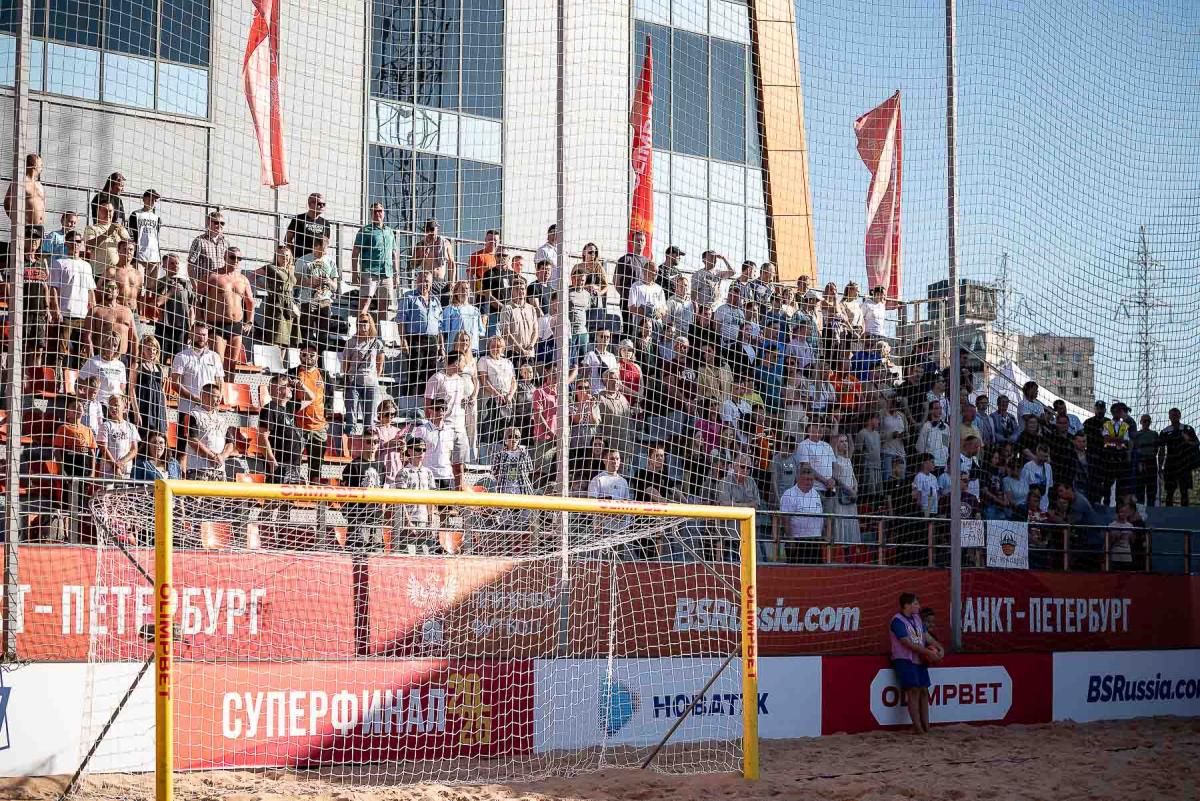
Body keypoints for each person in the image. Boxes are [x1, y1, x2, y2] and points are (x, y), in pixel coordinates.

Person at [890, 592, 942, 735]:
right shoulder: (897, 621)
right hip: (904, 659)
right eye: (915, 604)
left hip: (919, 658)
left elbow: (927, 637)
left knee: (924, 690)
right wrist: (928, 652)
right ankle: (918, 727)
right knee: (913, 691)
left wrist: (939, 648)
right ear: (907, 605)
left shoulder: (917, 618)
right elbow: (907, 643)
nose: (918, 606)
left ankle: (926, 726)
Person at [199, 246, 255, 377]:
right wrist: (200, 318)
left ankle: (229, 389)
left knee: (232, 365)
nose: (236, 260)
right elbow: (196, 296)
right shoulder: (213, 276)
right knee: (218, 363)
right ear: (225, 257)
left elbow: (250, 302)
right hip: (216, 324)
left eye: (239, 258)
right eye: (232, 257)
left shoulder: (243, 279)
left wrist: (250, 321)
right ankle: (216, 389)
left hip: (236, 325)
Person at [342, 431, 388, 549]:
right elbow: (345, 492)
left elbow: (381, 490)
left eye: (376, 442)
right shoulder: (354, 465)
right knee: (358, 550)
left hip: (376, 516)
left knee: (377, 550)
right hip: (359, 517)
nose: (373, 445)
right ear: (363, 443)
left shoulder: (381, 466)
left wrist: (381, 512)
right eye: (369, 441)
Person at [353, 201, 399, 317]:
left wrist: (396, 275)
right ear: (371, 214)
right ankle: (361, 327)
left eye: (380, 211)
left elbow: (394, 254)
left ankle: (380, 329)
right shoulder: (365, 230)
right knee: (365, 304)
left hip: (386, 273)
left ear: (384, 213)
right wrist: (354, 273)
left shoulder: (389, 231)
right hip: (369, 272)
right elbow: (355, 252)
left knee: (384, 307)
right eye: (375, 211)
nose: (378, 214)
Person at [413, 397, 469, 491]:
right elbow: (415, 453)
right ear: (430, 410)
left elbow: (453, 458)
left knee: (447, 501)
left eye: (444, 408)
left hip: (447, 476)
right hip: (428, 475)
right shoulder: (422, 430)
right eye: (437, 408)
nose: (441, 411)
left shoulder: (450, 431)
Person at [342, 314, 386, 433]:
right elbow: (345, 364)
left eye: (365, 321)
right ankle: (349, 442)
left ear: (370, 323)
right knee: (351, 419)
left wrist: (371, 377)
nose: (363, 324)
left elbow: (380, 365)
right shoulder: (351, 342)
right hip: (354, 383)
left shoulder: (377, 343)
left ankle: (367, 443)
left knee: (370, 421)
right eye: (360, 322)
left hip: (371, 384)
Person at [257, 373, 303, 484]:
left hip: (293, 466)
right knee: (276, 494)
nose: (291, 388)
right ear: (278, 390)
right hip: (279, 466)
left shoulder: (288, 409)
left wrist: (301, 385)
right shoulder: (270, 409)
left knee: (291, 496)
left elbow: (311, 398)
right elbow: (262, 437)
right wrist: (271, 460)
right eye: (288, 385)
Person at [292, 342, 328, 483]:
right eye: (304, 354)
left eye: (312, 355)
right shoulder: (293, 372)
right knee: (294, 461)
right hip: (298, 426)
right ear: (299, 355)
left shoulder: (323, 375)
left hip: (318, 426)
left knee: (316, 466)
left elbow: (329, 396)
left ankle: (313, 492)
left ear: (317, 356)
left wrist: (326, 417)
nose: (308, 357)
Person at [295, 234, 340, 348]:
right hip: (307, 300)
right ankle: (307, 356)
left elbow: (335, 287)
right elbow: (294, 282)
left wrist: (328, 281)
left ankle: (321, 357)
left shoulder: (331, 262)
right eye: (320, 251)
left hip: (325, 301)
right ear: (314, 246)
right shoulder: (302, 260)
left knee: (323, 335)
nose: (322, 253)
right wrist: (308, 282)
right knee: (307, 333)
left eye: (325, 250)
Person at [394, 436, 437, 552]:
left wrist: (431, 522)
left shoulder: (428, 472)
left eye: (423, 450)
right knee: (407, 555)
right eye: (418, 449)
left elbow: (431, 500)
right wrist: (407, 522)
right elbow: (400, 501)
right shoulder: (403, 472)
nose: (421, 453)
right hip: (407, 521)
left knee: (425, 555)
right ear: (409, 451)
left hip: (424, 520)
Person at [477, 335, 516, 454]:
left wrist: (510, 396)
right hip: (491, 399)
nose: (496, 349)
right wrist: (497, 394)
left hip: (507, 400)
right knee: (489, 429)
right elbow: (484, 381)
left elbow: (513, 382)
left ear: (503, 348)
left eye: (499, 346)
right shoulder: (484, 360)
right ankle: (485, 456)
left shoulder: (508, 362)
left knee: (504, 429)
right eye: (493, 346)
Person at [779, 467, 826, 563]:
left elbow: (821, 516)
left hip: (815, 540)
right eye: (806, 479)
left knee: (816, 569)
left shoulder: (816, 494)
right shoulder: (789, 494)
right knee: (798, 569)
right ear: (798, 479)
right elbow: (785, 519)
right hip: (797, 540)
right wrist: (790, 539)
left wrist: (824, 535)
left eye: (811, 480)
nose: (809, 482)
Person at [184, 383, 231, 480]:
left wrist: (222, 456)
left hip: (219, 469)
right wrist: (212, 457)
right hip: (198, 468)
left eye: (219, 397)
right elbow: (192, 440)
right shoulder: (193, 415)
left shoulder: (222, 420)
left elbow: (230, 443)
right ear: (204, 396)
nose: (219, 400)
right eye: (216, 396)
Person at [85, 278, 137, 359]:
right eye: (106, 287)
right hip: (101, 356)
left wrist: (134, 361)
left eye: (112, 287)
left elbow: (134, 338)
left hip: (122, 357)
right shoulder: (95, 311)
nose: (109, 290)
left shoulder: (127, 311)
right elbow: (88, 336)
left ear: (117, 292)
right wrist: (91, 359)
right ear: (101, 291)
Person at [156, 255, 193, 362]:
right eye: (172, 263)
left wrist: (191, 328)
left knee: (178, 359)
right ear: (164, 265)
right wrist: (171, 292)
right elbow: (158, 302)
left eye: (177, 263)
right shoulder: (160, 282)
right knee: (161, 358)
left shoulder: (186, 283)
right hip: (164, 326)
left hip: (181, 328)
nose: (175, 266)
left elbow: (191, 308)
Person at [4, 153, 46, 246]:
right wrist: (17, 220)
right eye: (41, 165)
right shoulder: (20, 183)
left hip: (39, 227)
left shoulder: (39, 185)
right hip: (26, 226)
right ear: (34, 165)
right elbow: (7, 203)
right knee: (24, 251)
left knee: (35, 253)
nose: (42, 168)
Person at [1160, 408, 1198, 507]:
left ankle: (1185, 514)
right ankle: (1168, 513)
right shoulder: (1165, 431)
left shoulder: (1187, 429)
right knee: (1169, 492)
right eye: (1172, 415)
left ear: (1180, 416)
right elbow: (1162, 450)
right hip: (1170, 465)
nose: (1174, 417)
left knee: (1184, 491)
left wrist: (1187, 440)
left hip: (1184, 464)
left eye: (1176, 415)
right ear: (1169, 417)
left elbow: (1196, 443)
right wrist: (1160, 466)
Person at [83, 201, 132, 278]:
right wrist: (108, 232)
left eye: (110, 211)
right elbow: (89, 246)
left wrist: (123, 238)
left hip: (118, 273)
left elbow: (131, 246)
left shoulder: (119, 228)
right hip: (99, 273)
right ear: (98, 212)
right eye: (104, 210)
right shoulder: (91, 228)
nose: (108, 213)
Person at [127, 189, 163, 290]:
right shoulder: (136, 214)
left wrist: (159, 256)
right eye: (150, 198)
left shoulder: (157, 218)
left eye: (154, 199)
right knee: (138, 285)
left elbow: (156, 238)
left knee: (151, 288)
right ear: (144, 199)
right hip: (140, 255)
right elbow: (131, 234)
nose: (152, 201)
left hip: (154, 256)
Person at [97, 395, 140, 479]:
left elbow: (134, 450)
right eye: (111, 406)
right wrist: (115, 465)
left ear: (124, 408)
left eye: (116, 405)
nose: (113, 408)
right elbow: (103, 448)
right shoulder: (105, 425)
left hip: (125, 470)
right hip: (108, 470)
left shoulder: (131, 427)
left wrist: (121, 463)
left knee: (124, 487)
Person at [78, 332, 127, 405]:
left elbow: (122, 388)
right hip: (99, 403)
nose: (111, 348)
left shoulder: (121, 365)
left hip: (115, 404)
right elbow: (79, 382)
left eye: (115, 345)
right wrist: (84, 398)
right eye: (108, 345)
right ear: (103, 345)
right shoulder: (93, 361)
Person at [286, 192, 331, 260]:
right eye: (319, 204)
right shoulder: (299, 219)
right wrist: (294, 255)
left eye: (324, 204)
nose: (322, 206)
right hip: (301, 258)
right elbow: (288, 239)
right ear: (310, 204)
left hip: (318, 259)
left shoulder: (326, 223)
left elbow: (326, 243)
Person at [492, 427, 535, 495]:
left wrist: (521, 477)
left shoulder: (524, 453)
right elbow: (494, 471)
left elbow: (529, 470)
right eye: (510, 437)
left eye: (516, 437)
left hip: (522, 489)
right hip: (505, 489)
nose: (514, 440)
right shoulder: (500, 454)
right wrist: (503, 480)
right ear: (506, 439)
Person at [187, 210, 227, 281]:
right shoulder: (199, 241)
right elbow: (190, 265)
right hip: (205, 284)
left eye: (222, 223)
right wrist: (195, 285)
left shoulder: (225, 243)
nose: (219, 225)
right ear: (208, 223)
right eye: (216, 223)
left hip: (221, 283)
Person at [1130, 414, 1160, 507]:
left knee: (1152, 487)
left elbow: (1157, 448)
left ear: (1150, 422)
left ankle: (1151, 509)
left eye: (1148, 421)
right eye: (1144, 421)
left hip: (1151, 461)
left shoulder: (1154, 434)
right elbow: (1132, 449)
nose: (1146, 423)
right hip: (1140, 462)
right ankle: (1140, 509)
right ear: (1141, 422)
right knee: (1139, 487)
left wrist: (1151, 455)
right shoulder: (1136, 435)